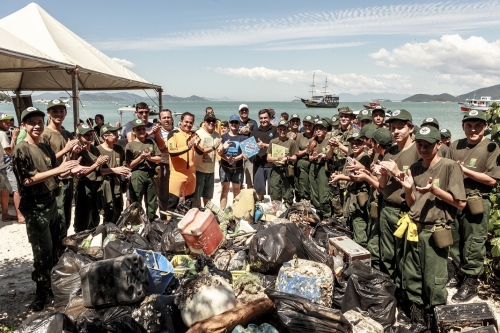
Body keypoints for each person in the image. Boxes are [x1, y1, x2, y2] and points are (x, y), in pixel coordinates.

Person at [12, 107, 82, 311]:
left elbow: (53, 172)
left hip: (51, 201)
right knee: (41, 251)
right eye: (32, 122)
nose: (37, 126)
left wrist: (69, 168)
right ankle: (41, 292)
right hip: (35, 206)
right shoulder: (21, 149)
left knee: (54, 247)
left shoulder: (43, 146)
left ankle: (53, 285)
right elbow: (26, 180)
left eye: (40, 122)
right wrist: (58, 169)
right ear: (24, 125)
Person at [397, 126, 466, 331]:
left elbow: (460, 203)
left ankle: (437, 317)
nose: (423, 148)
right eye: (419, 144)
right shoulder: (415, 168)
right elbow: (411, 204)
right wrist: (409, 189)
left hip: (436, 230)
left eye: (428, 145)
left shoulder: (450, 167)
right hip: (414, 228)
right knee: (413, 275)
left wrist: (436, 190)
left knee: (435, 279)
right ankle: (418, 317)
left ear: (438, 144)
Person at [448, 110, 500, 301]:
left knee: (474, 243)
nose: (473, 129)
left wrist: (464, 170)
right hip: (455, 200)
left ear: (485, 127)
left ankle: (471, 282)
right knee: (455, 240)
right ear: (463, 126)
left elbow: (492, 180)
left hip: (477, 201)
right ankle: (458, 273)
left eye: (478, 125)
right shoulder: (456, 145)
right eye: (469, 125)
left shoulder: (491, 148)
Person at [377, 109, 420, 286]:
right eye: (392, 128)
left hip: (405, 210)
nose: (395, 132)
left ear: (410, 128)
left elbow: (418, 185)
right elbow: (381, 186)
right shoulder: (390, 151)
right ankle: (389, 287)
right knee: (386, 253)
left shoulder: (418, 150)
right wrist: (381, 173)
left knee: (406, 256)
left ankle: (405, 291)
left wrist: (396, 172)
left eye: (400, 127)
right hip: (387, 207)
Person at [41, 100, 80, 233]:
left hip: (68, 179)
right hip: (56, 182)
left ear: (65, 113)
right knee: (58, 217)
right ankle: (57, 249)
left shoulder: (66, 133)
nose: (58, 114)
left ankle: (62, 245)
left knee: (67, 217)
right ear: (48, 113)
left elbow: (69, 160)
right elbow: (44, 162)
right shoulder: (44, 134)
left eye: (61, 111)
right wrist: (65, 149)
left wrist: (73, 153)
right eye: (54, 111)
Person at [330, 132, 371, 247]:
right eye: (352, 143)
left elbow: (359, 178)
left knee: (359, 223)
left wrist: (340, 177)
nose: (354, 146)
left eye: (358, 143)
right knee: (351, 222)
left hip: (359, 195)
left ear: (363, 144)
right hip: (350, 193)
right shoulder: (352, 156)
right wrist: (339, 174)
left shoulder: (365, 157)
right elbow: (348, 174)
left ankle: (361, 250)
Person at [73, 124, 109, 232]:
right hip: (84, 185)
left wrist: (102, 162)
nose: (90, 137)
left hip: (96, 184)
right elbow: (79, 174)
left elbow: (99, 168)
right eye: (86, 135)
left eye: (91, 134)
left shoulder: (94, 148)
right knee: (83, 215)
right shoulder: (78, 150)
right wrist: (96, 164)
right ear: (79, 137)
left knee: (95, 214)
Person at [125, 119, 162, 222]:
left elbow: (159, 158)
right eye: (138, 129)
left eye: (143, 128)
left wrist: (150, 158)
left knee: (152, 200)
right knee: (136, 200)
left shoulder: (151, 142)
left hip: (150, 173)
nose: (141, 131)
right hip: (137, 173)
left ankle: (151, 220)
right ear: (133, 131)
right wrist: (141, 158)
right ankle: (136, 222)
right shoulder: (130, 145)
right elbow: (129, 165)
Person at [328, 107, 359, 218]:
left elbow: (356, 153)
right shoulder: (334, 133)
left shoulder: (356, 134)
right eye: (341, 116)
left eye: (346, 116)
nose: (343, 118)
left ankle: (347, 224)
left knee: (348, 202)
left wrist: (339, 146)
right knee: (335, 202)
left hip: (348, 173)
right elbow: (329, 156)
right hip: (335, 171)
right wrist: (331, 147)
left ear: (351, 118)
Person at [97, 124, 131, 223]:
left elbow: (123, 165)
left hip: (117, 185)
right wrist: (113, 170)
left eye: (117, 133)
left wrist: (125, 173)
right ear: (105, 136)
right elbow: (96, 171)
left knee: (118, 211)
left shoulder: (119, 149)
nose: (117, 136)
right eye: (114, 134)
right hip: (104, 186)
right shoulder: (98, 150)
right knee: (108, 212)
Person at [167, 112, 200, 211]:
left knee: (190, 203)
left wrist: (213, 146)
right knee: (172, 202)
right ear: (181, 121)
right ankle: (168, 225)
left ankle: (187, 224)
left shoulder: (194, 135)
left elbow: (201, 151)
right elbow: (171, 151)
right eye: (186, 122)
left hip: (191, 175)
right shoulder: (173, 134)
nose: (188, 125)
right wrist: (188, 147)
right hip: (177, 174)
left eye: (191, 123)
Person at [266, 120, 299, 206]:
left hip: (287, 170)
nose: (283, 131)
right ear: (277, 130)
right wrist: (278, 158)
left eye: (284, 129)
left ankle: (287, 212)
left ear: (287, 130)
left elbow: (295, 158)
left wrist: (288, 157)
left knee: (288, 193)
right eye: (281, 129)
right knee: (275, 194)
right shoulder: (273, 142)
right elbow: (268, 158)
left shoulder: (292, 142)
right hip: (276, 170)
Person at [219, 115, 247, 209]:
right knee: (224, 190)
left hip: (237, 168)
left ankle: (235, 212)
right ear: (229, 124)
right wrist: (227, 158)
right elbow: (219, 152)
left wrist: (235, 159)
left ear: (239, 124)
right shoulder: (223, 137)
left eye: (236, 122)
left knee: (236, 191)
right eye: (232, 122)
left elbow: (245, 153)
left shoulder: (242, 137)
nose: (234, 124)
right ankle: (222, 211)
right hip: (224, 167)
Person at [194, 113, 222, 207]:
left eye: (213, 121)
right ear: (204, 122)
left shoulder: (217, 135)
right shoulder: (198, 133)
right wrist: (214, 147)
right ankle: (198, 215)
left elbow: (219, 151)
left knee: (208, 197)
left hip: (210, 170)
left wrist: (226, 152)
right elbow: (201, 150)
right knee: (197, 197)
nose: (211, 123)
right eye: (209, 121)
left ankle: (205, 215)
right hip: (199, 170)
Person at [0, 113, 23, 222]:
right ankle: (20, 216)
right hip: (6, 166)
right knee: (16, 190)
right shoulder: (3, 134)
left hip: (0, 166)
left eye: (9, 120)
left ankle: (5, 214)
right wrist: (14, 138)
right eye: (5, 121)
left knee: (4, 190)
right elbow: (9, 151)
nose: (8, 123)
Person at [308, 120, 333, 219]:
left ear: (325, 130)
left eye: (321, 128)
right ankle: (319, 214)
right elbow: (309, 157)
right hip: (314, 167)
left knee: (324, 193)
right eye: (316, 129)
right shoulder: (312, 142)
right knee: (314, 193)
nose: (318, 131)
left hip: (323, 167)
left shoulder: (328, 140)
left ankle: (327, 215)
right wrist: (313, 157)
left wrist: (324, 155)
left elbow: (329, 155)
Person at [252, 109, 278, 201]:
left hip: (272, 165)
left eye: (265, 118)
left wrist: (265, 145)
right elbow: (250, 149)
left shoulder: (275, 130)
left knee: (274, 190)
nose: (263, 120)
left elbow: (278, 147)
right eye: (261, 118)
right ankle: (261, 205)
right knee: (259, 191)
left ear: (270, 118)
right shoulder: (254, 132)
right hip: (258, 164)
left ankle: (274, 209)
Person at [154, 109, 174, 218]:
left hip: (176, 166)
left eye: (168, 117)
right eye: (164, 118)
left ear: (172, 118)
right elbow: (163, 149)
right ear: (160, 120)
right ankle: (163, 218)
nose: (166, 120)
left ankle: (173, 217)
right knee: (163, 194)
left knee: (175, 194)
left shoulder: (177, 130)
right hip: (163, 165)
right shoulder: (157, 132)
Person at [237, 104, 258, 189]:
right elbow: (230, 132)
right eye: (242, 110)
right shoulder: (236, 121)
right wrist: (240, 132)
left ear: (248, 112)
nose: (244, 112)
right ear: (239, 112)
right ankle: (240, 197)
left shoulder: (253, 122)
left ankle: (250, 197)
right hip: (238, 149)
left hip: (250, 149)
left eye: (246, 110)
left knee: (250, 177)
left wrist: (249, 132)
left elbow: (257, 135)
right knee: (238, 178)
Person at [294, 115, 314, 202]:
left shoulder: (316, 135)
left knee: (312, 185)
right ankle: (302, 201)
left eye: (309, 125)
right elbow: (296, 153)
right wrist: (307, 150)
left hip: (313, 162)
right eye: (305, 125)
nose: (307, 127)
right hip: (302, 162)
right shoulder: (299, 136)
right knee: (302, 184)